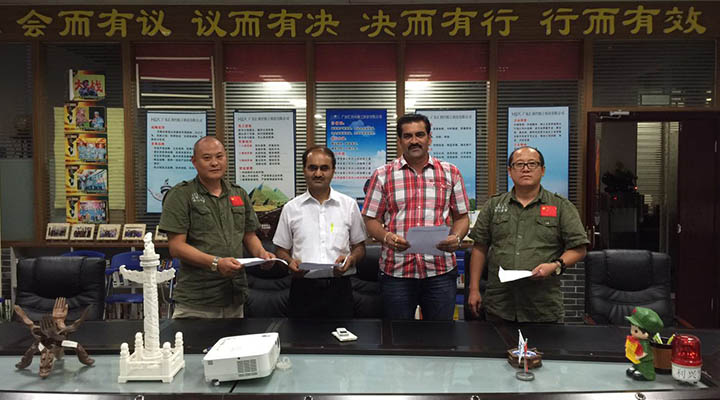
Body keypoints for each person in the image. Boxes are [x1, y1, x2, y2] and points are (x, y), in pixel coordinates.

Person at [362, 113, 470, 320]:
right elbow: (370, 219)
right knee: (397, 335)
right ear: (400, 141)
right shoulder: (383, 175)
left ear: (429, 138)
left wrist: (456, 238)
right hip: (396, 273)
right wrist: (386, 237)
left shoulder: (450, 172)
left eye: (419, 135)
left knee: (440, 334)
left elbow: (462, 217)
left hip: (440, 272)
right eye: (408, 136)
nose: (414, 141)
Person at [467, 146, 589, 323]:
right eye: (519, 164)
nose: (526, 169)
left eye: (532, 164)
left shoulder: (561, 206)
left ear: (543, 170)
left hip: (542, 305)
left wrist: (555, 265)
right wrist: (473, 289)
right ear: (510, 171)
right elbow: (479, 248)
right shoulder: (494, 205)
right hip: (500, 304)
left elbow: (579, 249)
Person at [158, 136, 275, 318]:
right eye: (207, 158)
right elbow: (176, 247)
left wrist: (262, 254)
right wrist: (216, 263)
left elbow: (249, 235)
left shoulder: (239, 193)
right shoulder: (181, 195)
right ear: (194, 162)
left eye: (219, 157)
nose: (214, 163)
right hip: (197, 300)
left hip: (234, 296)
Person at [273, 146, 367, 318]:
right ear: (304, 170)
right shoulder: (291, 208)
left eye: (324, 168)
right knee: (299, 335)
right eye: (312, 168)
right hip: (302, 289)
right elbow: (280, 250)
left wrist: (351, 259)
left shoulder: (349, 205)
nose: (318, 174)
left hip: (340, 288)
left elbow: (360, 247)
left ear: (333, 171)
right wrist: (289, 262)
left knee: (343, 335)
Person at [625, 307, 663, 381]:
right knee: (636, 363)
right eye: (632, 328)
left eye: (636, 331)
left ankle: (646, 375)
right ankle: (635, 368)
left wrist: (638, 357)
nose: (632, 332)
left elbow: (645, 352)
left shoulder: (644, 343)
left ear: (646, 334)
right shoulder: (636, 340)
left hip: (644, 359)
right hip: (636, 359)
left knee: (644, 366)